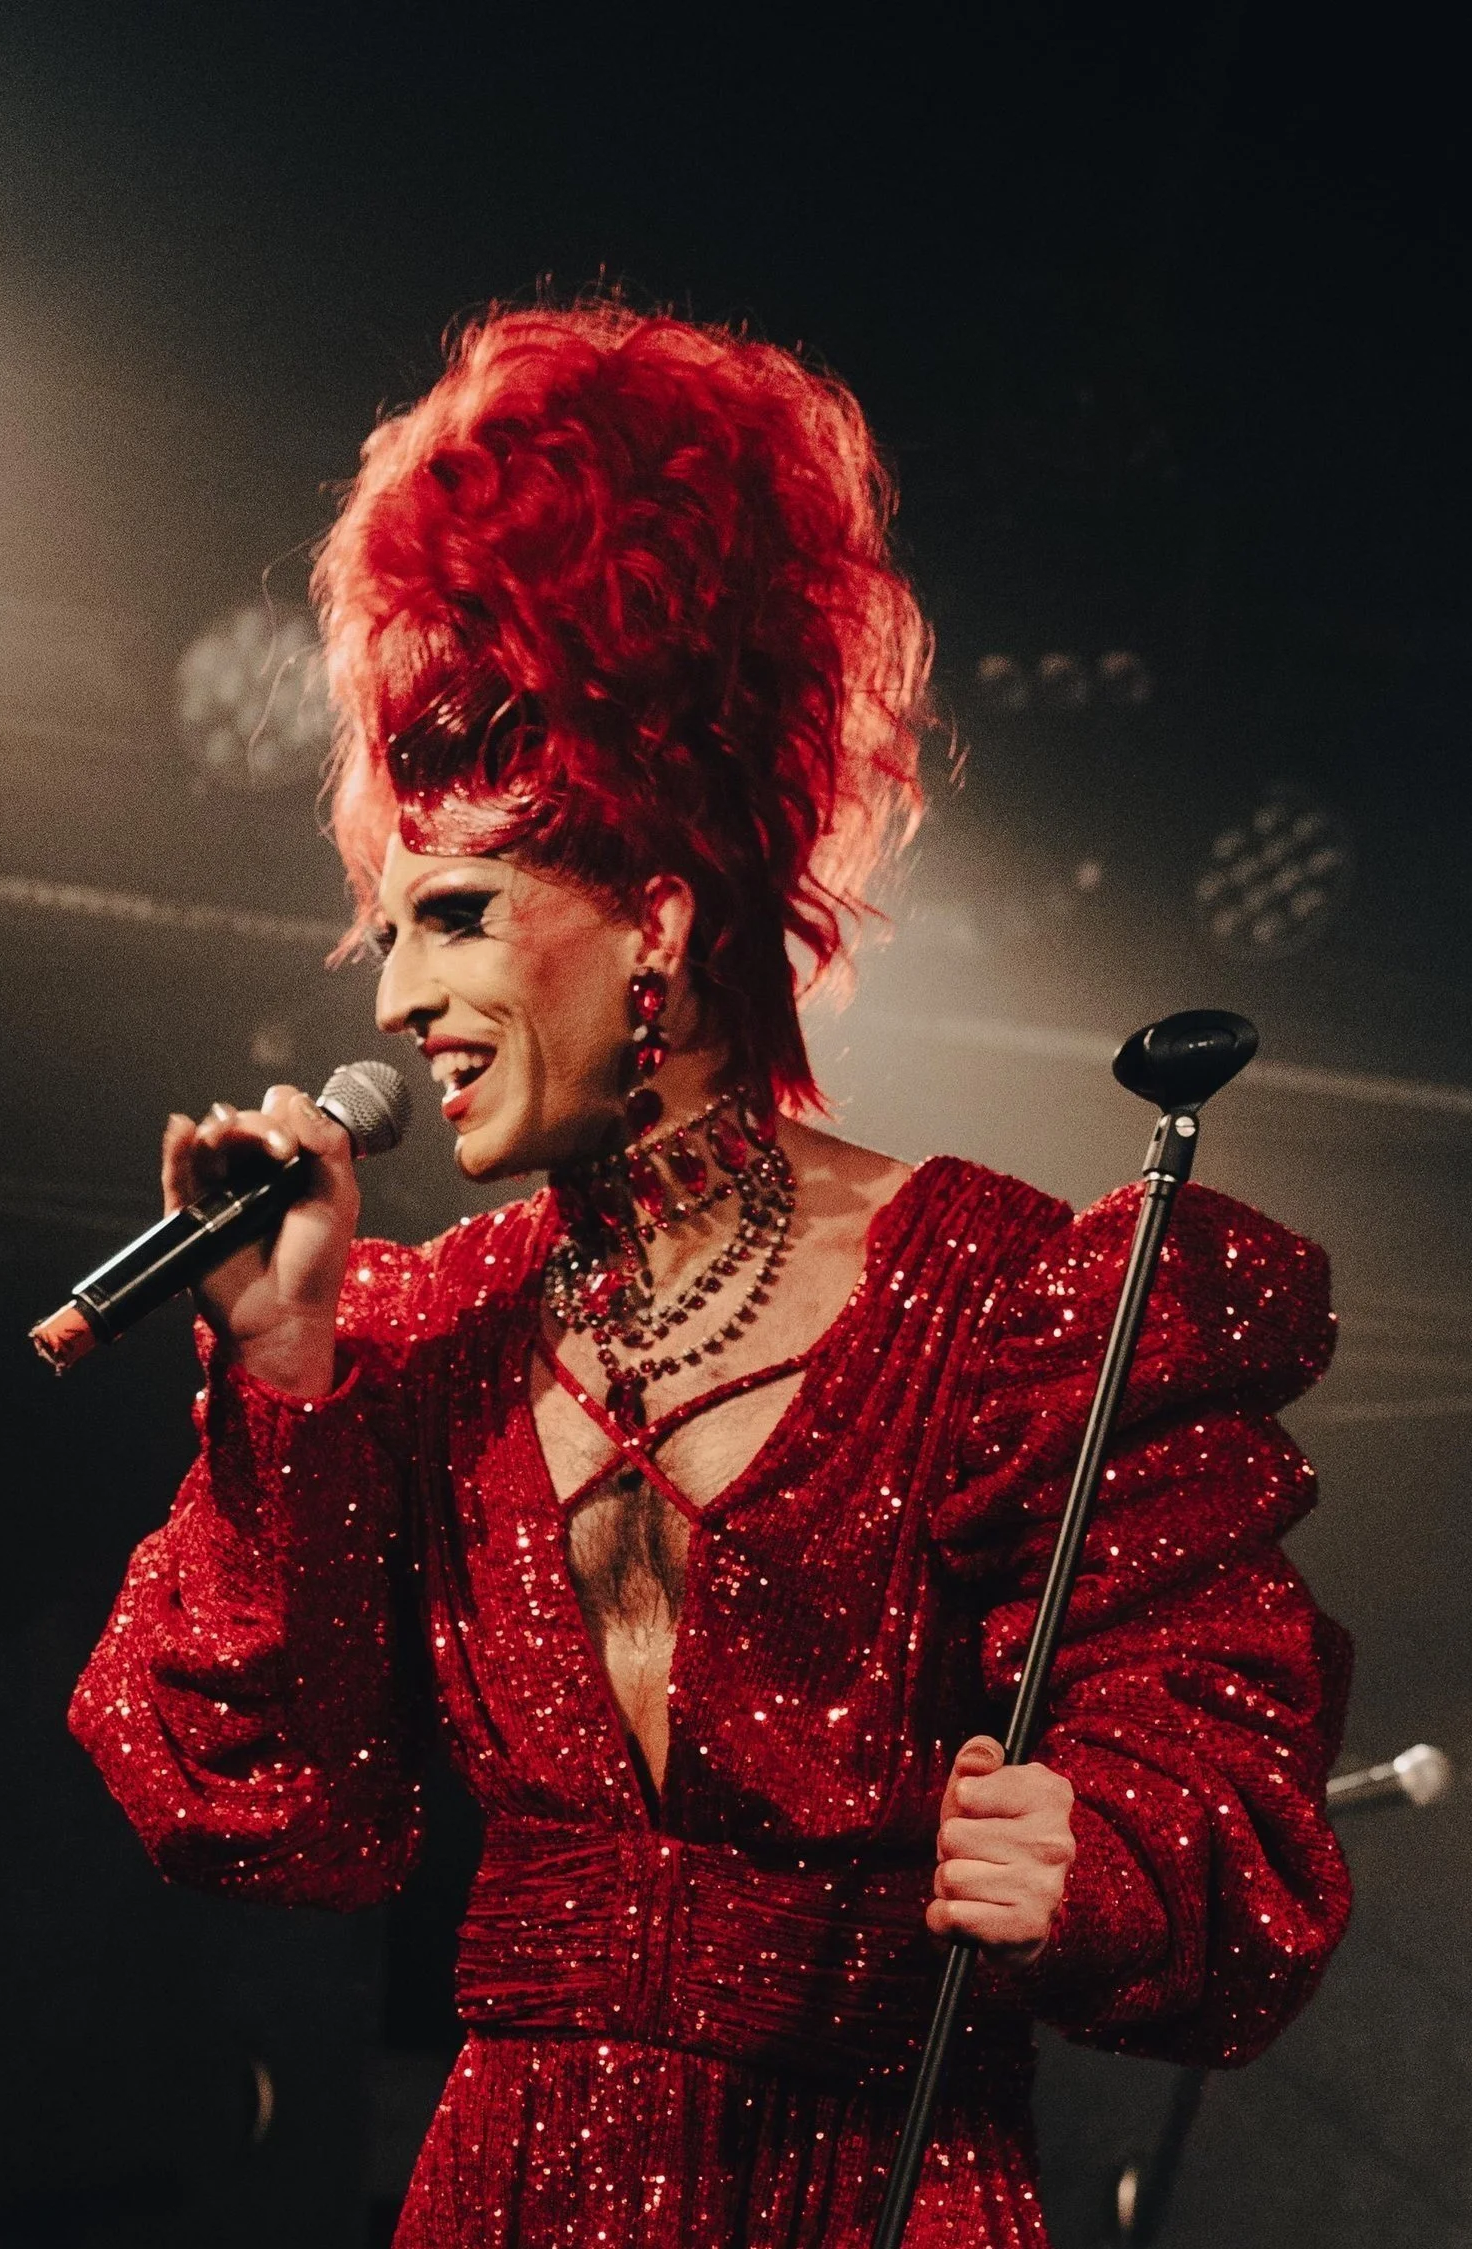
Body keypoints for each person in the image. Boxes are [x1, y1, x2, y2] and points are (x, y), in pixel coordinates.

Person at [70, 305, 1350, 2246]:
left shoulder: (1009, 1309)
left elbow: (1226, 1793)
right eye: (388, 925)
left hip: (871, 2186)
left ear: (657, 905)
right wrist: (280, 1371)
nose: (396, 991)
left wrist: (1093, 1853)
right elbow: (267, 1809)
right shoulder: (418, 1343)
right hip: (506, 2192)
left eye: (457, 915)